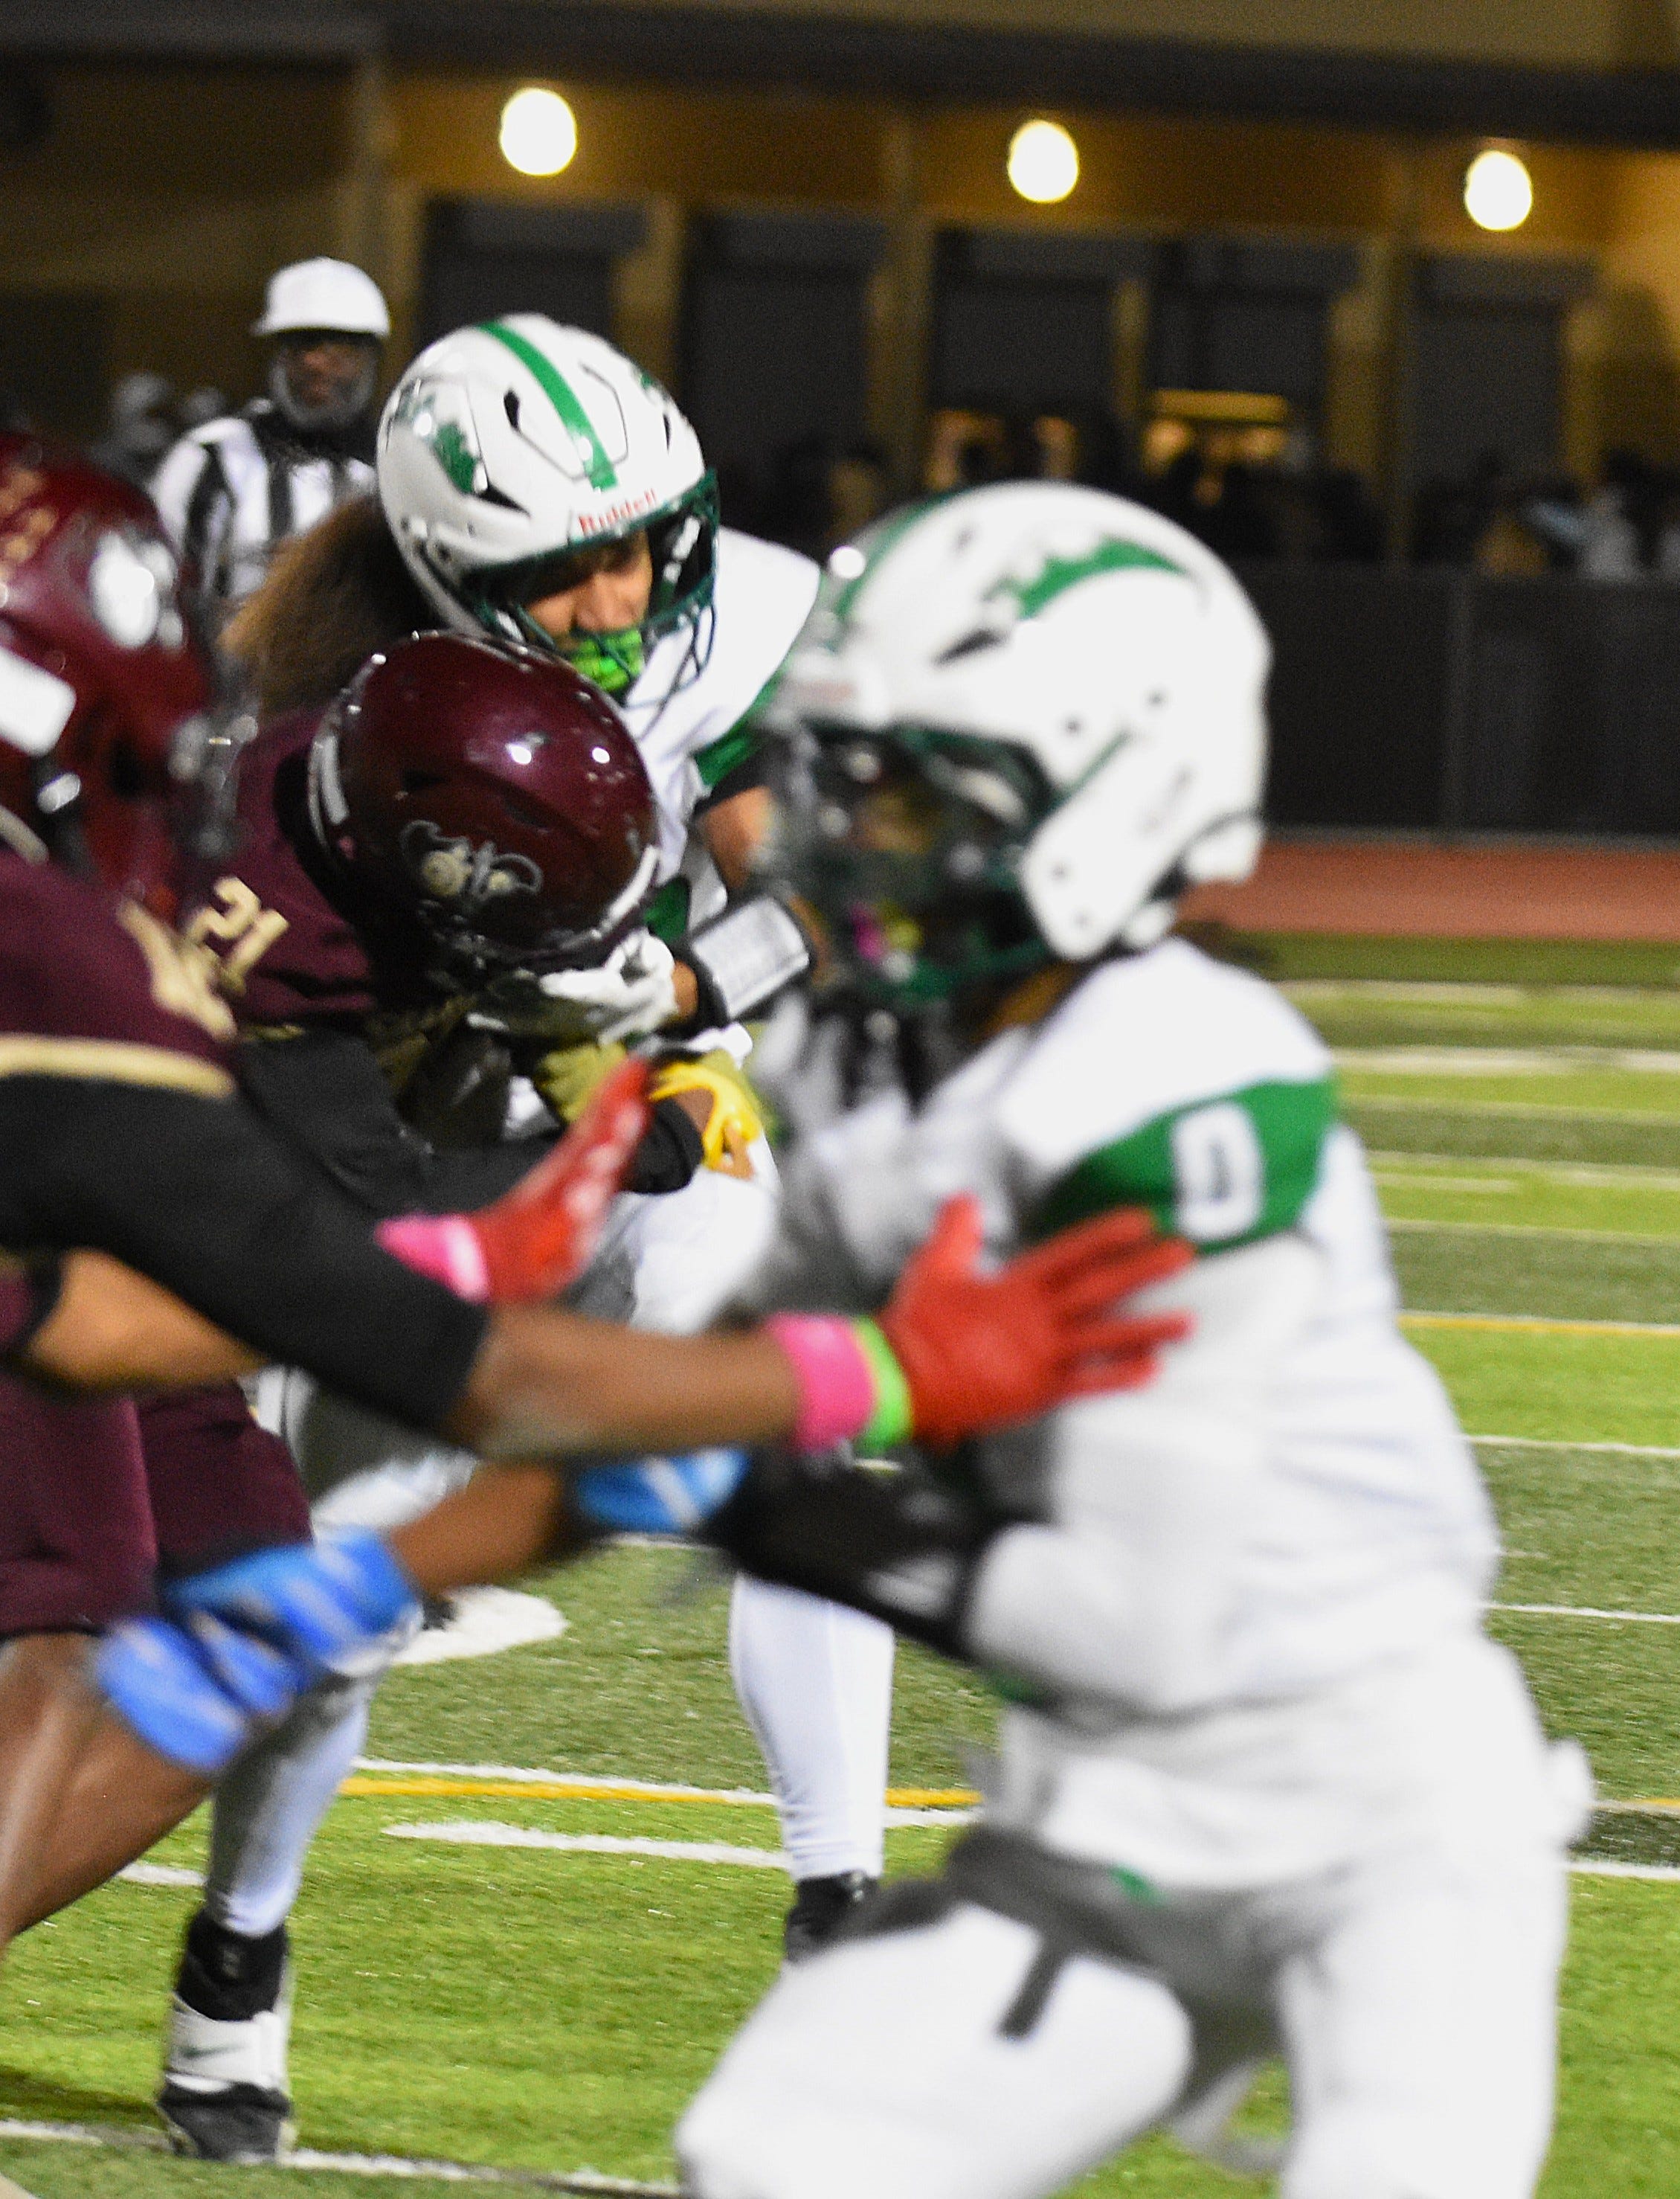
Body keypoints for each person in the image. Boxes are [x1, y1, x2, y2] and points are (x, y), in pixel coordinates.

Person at [140, 481, 1586, 2199]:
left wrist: (793, 1441)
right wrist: (361, 1576)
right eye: (851, 776)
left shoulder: (1194, 1076)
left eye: (910, 790)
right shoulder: (883, 1059)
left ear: (1105, 802)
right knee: (771, 2157)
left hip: (1375, 1811)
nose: (843, 835)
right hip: (1106, 1818)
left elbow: (1106, 1585)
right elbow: (675, 1401)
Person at [0, 438, 1193, 1981]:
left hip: (83, 1267)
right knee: (66, 1640)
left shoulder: (233, 833)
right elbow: (265, 1300)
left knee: (238, 1611)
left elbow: (117, 1311)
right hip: (96, 1258)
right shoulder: (154, 947)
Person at [237, 313, 893, 1966]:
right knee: (340, 1602)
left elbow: (821, 884)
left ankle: (842, 1898)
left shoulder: (715, 620)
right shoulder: (334, 709)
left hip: (664, 1084)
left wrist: (684, 981)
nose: (623, 600)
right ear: (451, 570)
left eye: (637, 549)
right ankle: (237, 1949)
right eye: (569, 571)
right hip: (430, 1129)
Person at [149, 260, 387, 617]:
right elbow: (157, 592)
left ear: (372, 360)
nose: (319, 364)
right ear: (276, 356)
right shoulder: (209, 458)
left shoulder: (394, 464)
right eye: (304, 345)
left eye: (340, 349)